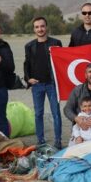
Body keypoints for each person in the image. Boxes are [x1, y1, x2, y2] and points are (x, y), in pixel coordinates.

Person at [24, 17, 63, 147]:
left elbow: (61, 62)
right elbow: (27, 64)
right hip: (37, 85)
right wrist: (28, 78)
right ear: (34, 29)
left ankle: (58, 141)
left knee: (56, 113)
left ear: (46, 27)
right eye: (37, 27)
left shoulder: (56, 43)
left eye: (42, 26)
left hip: (52, 84)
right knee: (38, 113)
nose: (40, 29)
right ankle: (40, 140)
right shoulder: (29, 46)